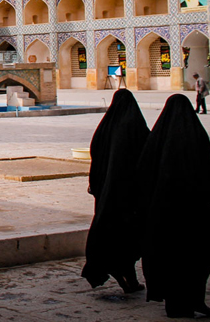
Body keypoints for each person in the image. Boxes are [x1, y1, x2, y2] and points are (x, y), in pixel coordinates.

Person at [137, 95, 210, 319]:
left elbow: (144, 174)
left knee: (169, 258)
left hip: (164, 213)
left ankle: (175, 304)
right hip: (196, 212)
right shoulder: (196, 135)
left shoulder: (157, 138)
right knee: (197, 259)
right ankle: (195, 299)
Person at [82, 89, 150, 294]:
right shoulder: (135, 126)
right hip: (130, 195)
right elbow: (147, 155)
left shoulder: (105, 127)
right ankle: (129, 276)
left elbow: (95, 156)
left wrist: (95, 184)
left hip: (106, 192)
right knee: (129, 236)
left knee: (111, 231)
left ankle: (124, 275)